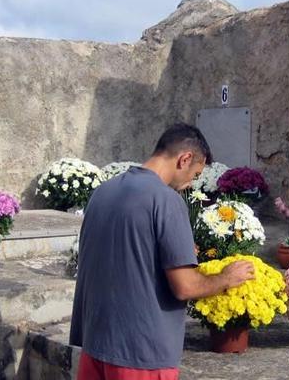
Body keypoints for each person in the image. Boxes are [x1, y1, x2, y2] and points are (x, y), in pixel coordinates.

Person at [69, 123, 255, 380]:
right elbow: (185, 287)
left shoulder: (102, 192)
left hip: (96, 345)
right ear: (185, 159)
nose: (191, 184)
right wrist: (226, 277)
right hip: (141, 353)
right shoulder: (166, 200)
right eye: (196, 174)